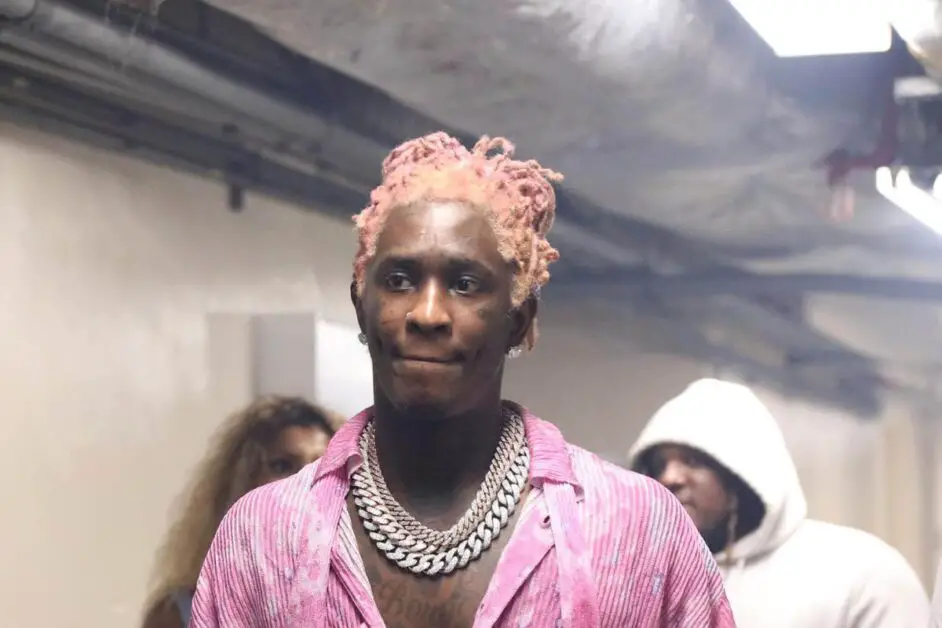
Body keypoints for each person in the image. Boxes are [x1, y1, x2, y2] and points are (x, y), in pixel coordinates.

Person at [189, 132, 736, 628]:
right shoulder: (263, 536)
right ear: (361, 306)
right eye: (399, 279)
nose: (428, 313)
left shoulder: (636, 527)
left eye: (466, 283)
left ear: (518, 320)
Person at [628, 378, 930, 628]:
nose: (669, 478)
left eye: (692, 461)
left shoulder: (858, 571)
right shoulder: (643, 583)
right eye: (658, 465)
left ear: (737, 474)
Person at [141, 396, 340, 628]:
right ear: (243, 481)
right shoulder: (179, 613)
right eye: (283, 466)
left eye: (320, 466)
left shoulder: (355, 603)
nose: (304, 480)